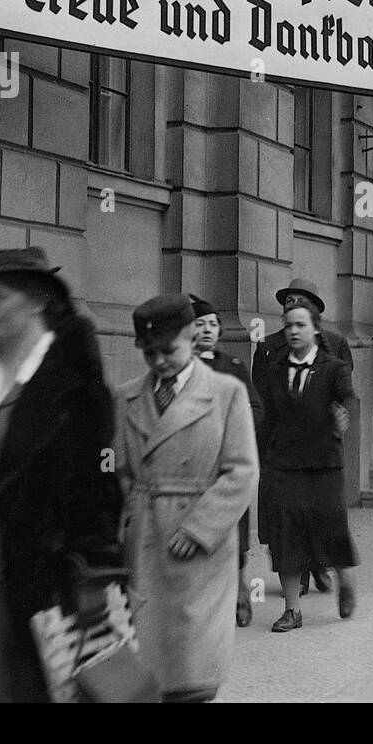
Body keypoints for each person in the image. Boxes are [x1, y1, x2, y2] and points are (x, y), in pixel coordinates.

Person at [0, 247, 123, 702]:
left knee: (33, 683)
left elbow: (97, 492)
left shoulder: (75, 381)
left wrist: (94, 578)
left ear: (36, 300)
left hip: (41, 567)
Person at [114, 295, 259, 702]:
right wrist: (123, 523)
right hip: (145, 538)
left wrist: (200, 527)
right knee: (147, 664)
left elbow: (242, 470)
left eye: (168, 350)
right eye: (149, 353)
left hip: (198, 544)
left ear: (191, 336)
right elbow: (119, 472)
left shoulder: (226, 392)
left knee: (194, 668)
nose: (159, 361)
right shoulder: (126, 397)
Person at [256, 302, 358, 632]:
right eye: (288, 326)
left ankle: (345, 582)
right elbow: (269, 418)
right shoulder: (275, 370)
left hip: (323, 465)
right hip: (284, 465)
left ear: (315, 329)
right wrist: (263, 459)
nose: (293, 331)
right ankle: (292, 610)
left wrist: (342, 413)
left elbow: (346, 398)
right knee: (286, 536)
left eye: (300, 325)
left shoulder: (333, 367)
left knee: (331, 529)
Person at [185, 294, 265, 628]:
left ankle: (240, 591)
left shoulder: (232, 367)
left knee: (234, 527)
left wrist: (233, 431)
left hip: (226, 462)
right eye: (200, 324)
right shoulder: (182, 367)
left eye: (213, 324)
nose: (207, 330)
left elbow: (256, 409)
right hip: (191, 465)